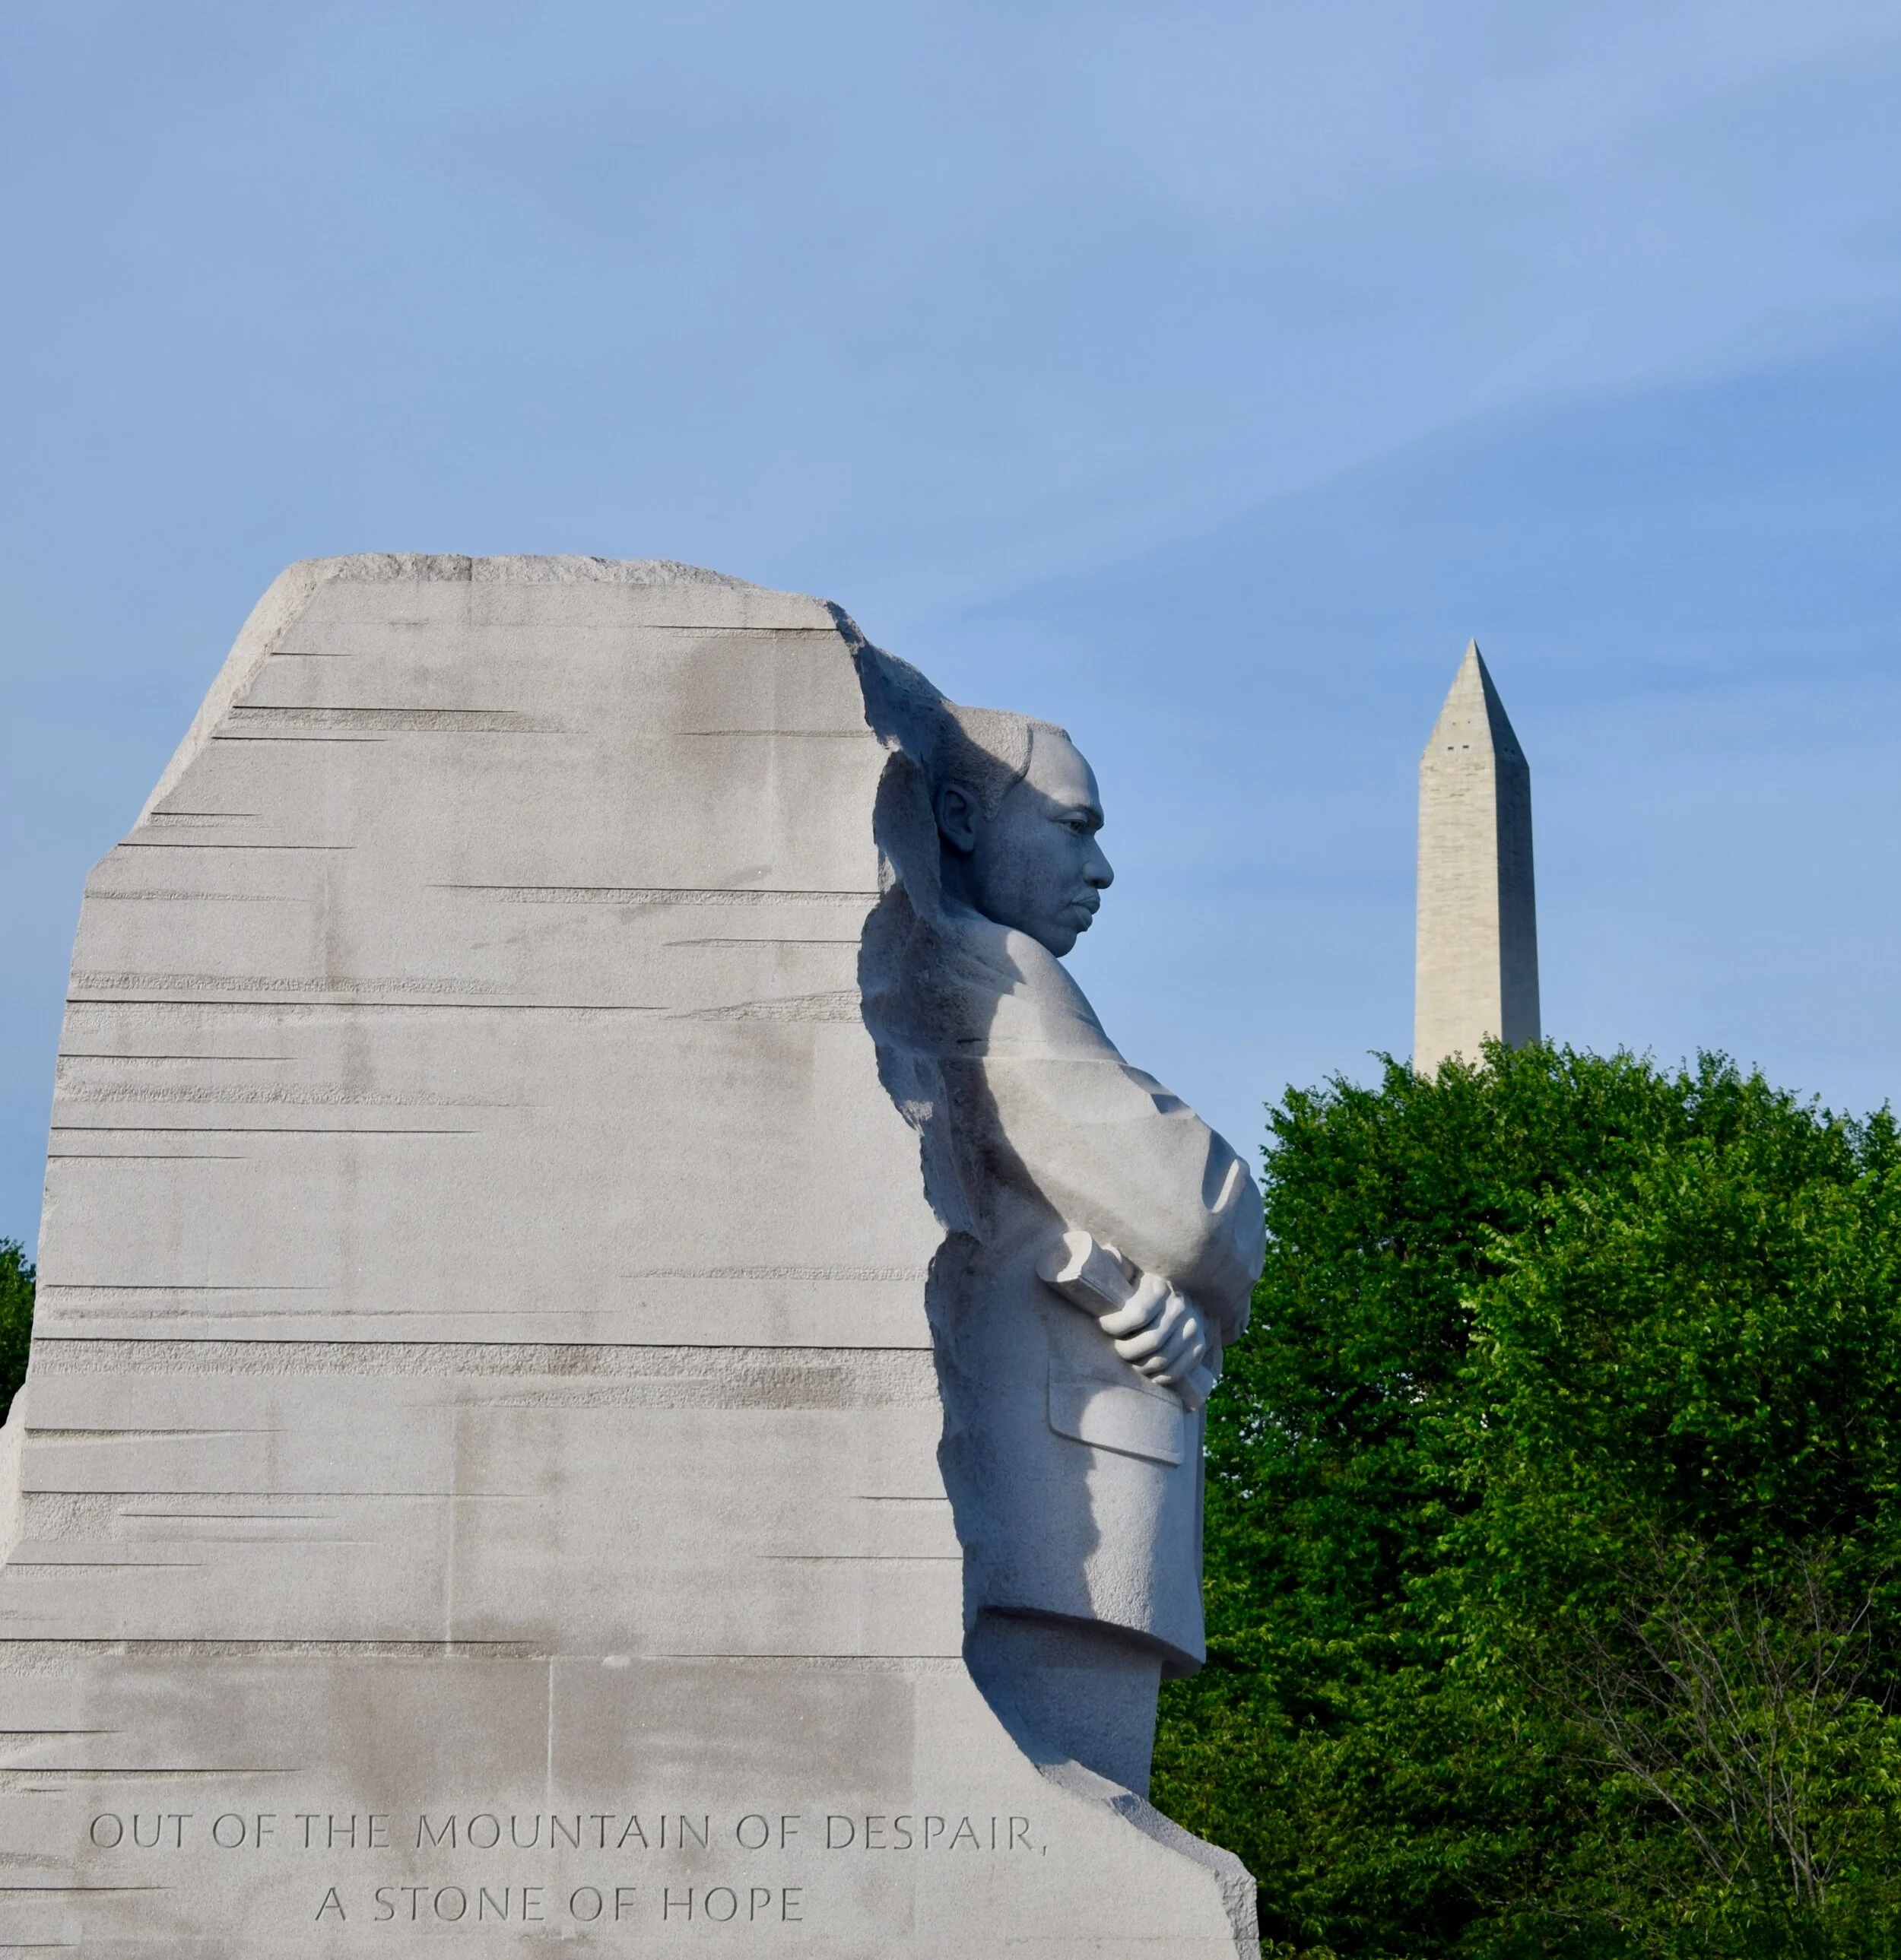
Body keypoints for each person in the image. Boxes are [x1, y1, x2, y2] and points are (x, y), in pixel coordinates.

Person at [860, 671, 1264, 1797]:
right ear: (960, 816)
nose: (1102, 870)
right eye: (1074, 827)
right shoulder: (993, 967)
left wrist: (1169, 1298)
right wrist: (1202, 1255)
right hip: (1066, 1500)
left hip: (1067, 1490)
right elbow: (1193, 1209)